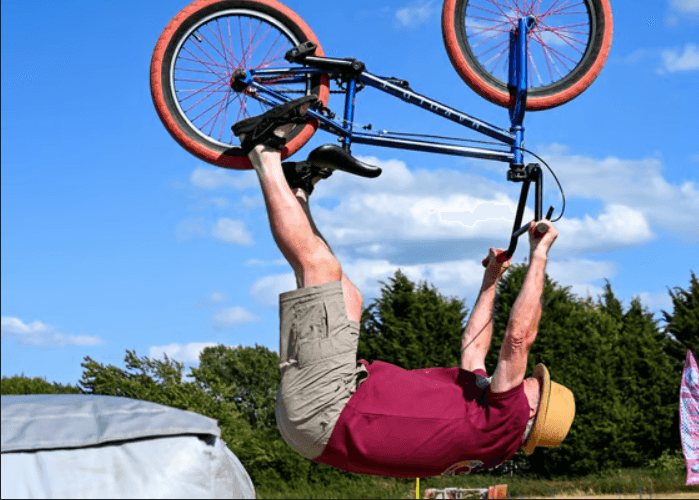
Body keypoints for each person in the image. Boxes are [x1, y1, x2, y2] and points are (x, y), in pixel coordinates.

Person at [231, 96, 575, 478]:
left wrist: (539, 255)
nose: (530, 378)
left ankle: (261, 149)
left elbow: (518, 339)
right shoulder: (489, 428)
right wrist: (491, 280)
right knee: (347, 298)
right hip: (324, 424)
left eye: (535, 384)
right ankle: (297, 191)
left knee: (319, 268)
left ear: (533, 410)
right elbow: (474, 346)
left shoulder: (507, 419)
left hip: (328, 409)